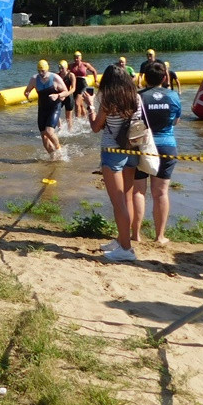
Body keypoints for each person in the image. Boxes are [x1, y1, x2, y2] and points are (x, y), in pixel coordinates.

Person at [88, 65, 142, 262]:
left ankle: (126, 249)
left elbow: (95, 127)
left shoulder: (107, 100)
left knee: (118, 202)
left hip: (112, 152)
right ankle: (122, 240)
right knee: (126, 198)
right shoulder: (136, 97)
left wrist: (89, 106)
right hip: (133, 149)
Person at [131, 61, 181, 245]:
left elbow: (133, 121)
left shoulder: (138, 96)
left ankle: (135, 235)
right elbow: (176, 121)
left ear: (144, 78)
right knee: (161, 193)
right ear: (165, 78)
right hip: (167, 145)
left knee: (138, 191)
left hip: (143, 146)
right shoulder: (173, 96)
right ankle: (160, 236)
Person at [23, 60, 70, 159]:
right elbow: (27, 90)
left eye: (43, 71)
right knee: (44, 137)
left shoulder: (55, 78)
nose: (41, 73)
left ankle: (59, 149)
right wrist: (27, 94)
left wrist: (57, 95)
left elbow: (66, 91)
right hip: (42, 109)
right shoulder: (34, 79)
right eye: (39, 71)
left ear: (47, 69)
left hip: (54, 107)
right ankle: (53, 157)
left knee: (49, 131)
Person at [69, 51, 99, 118]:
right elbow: (64, 72)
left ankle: (78, 121)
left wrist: (96, 80)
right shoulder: (71, 66)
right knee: (81, 105)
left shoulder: (85, 65)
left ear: (80, 58)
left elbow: (94, 71)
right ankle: (85, 118)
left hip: (83, 84)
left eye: (77, 58)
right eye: (74, 58)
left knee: (77, 103)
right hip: (75, 85)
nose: (76, 59)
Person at [56, 60, 76, 131]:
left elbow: (73, 88)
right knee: (56, 112)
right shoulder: (57, 75)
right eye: (59, 68)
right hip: (60, 97)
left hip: (68, 97)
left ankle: (70, 131)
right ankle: (60, 128)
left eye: (62, 68)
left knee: (68, 117)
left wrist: (66, 94)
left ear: (66, 68)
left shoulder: (71, 75)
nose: (60, 70)